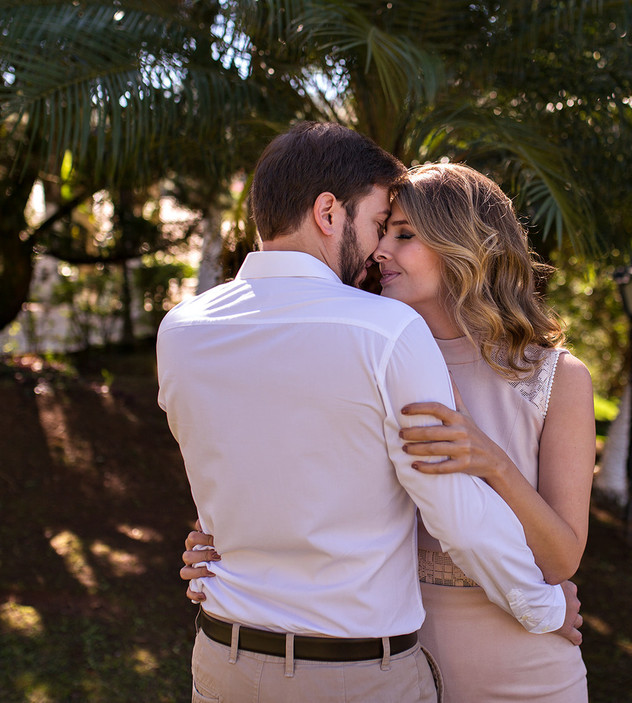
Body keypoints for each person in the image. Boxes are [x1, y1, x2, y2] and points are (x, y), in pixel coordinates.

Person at [157, 124, 580, 703]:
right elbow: (453, 515)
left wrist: (227, 542)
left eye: (399, 232)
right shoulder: (381, 334)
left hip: (234, 661)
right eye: (381, 224)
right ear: (328, 213)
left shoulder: (180, 330)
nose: (379, 248)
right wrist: (545, 604)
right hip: (368, 661)